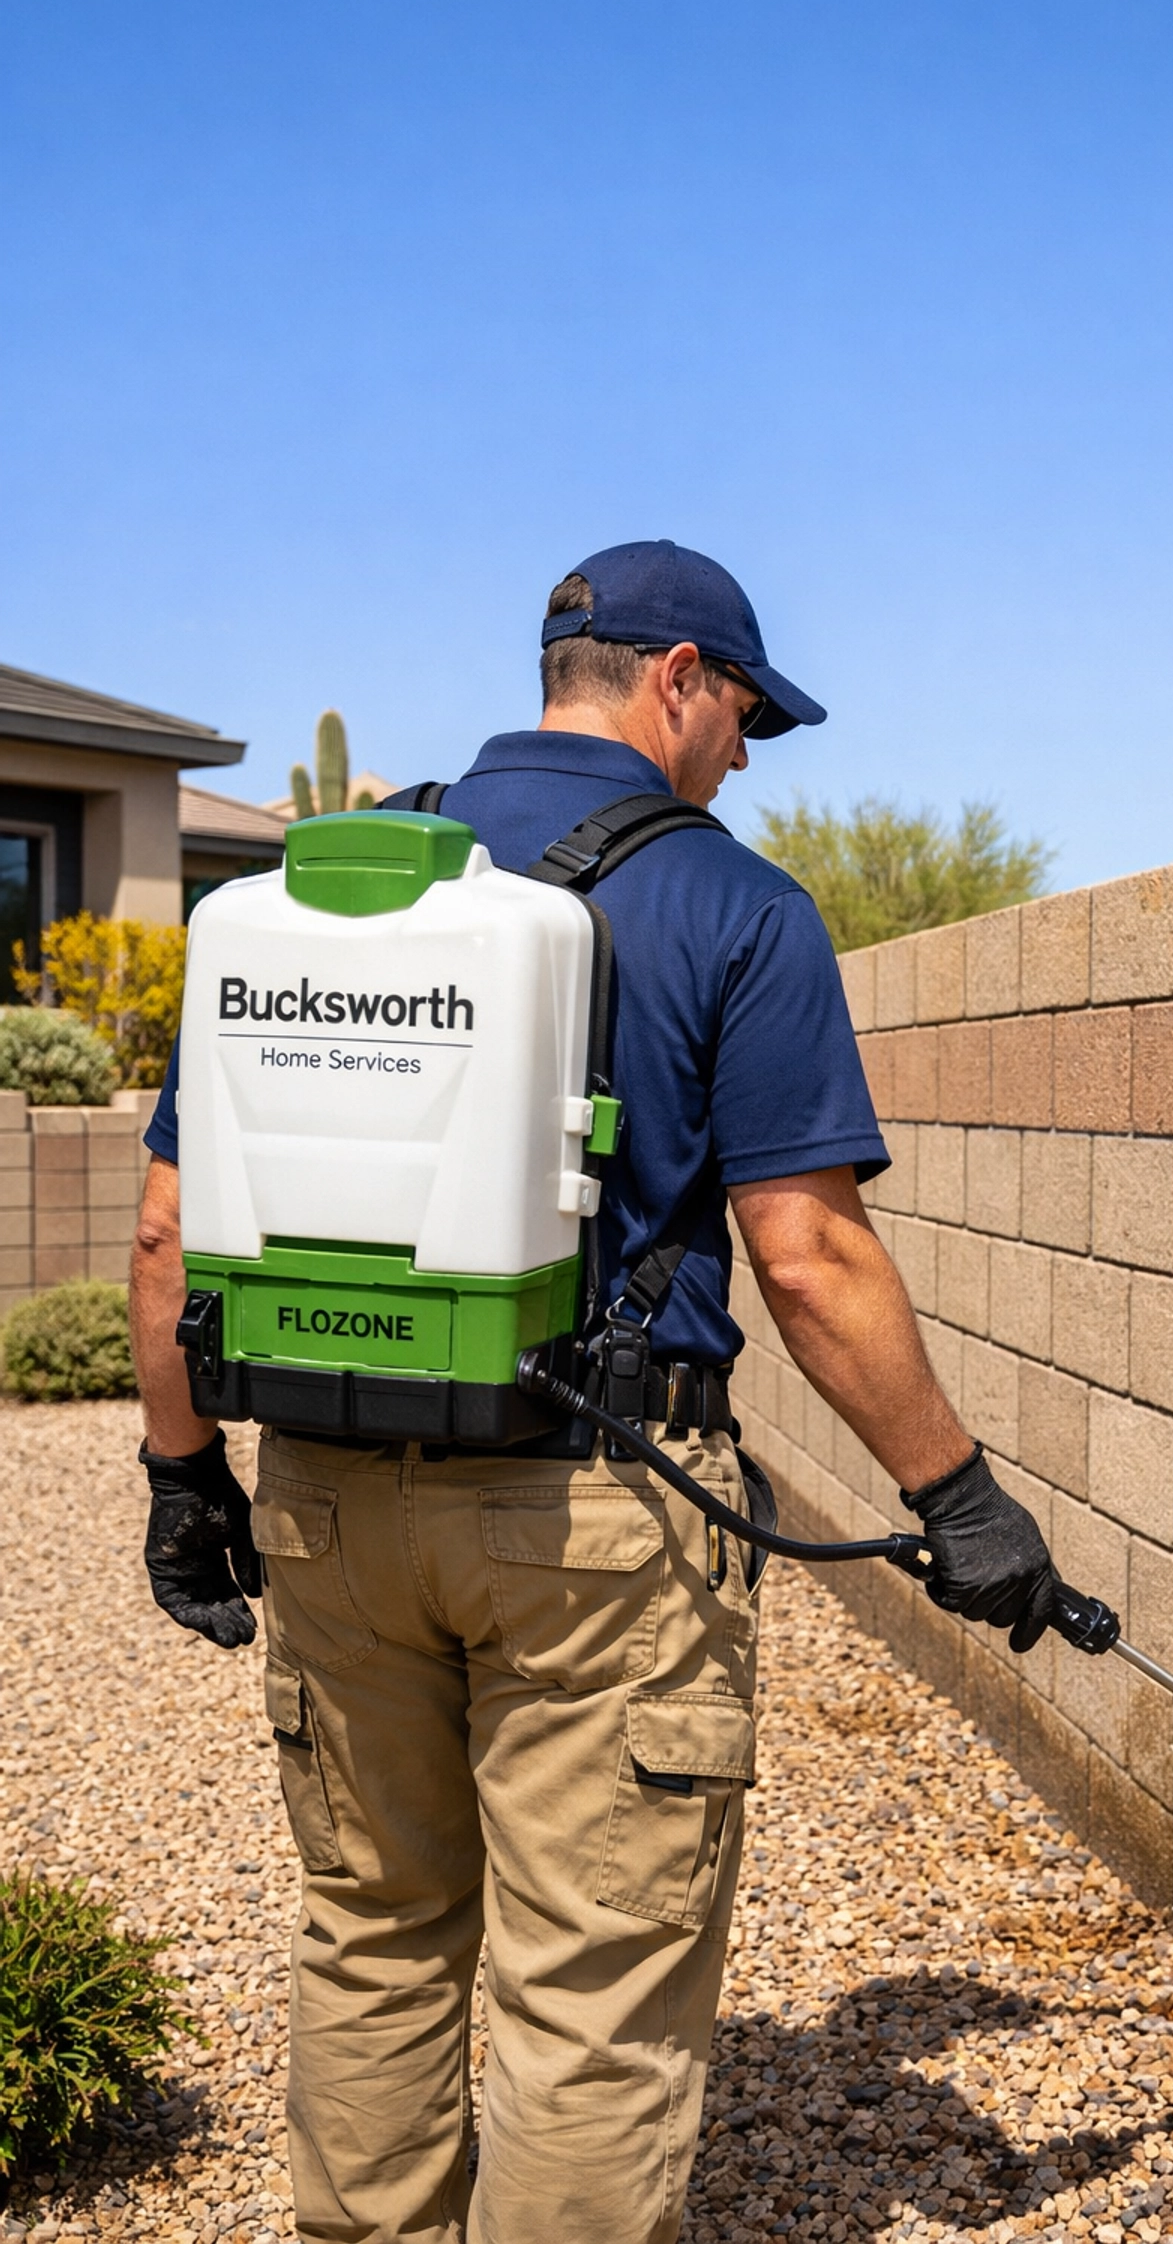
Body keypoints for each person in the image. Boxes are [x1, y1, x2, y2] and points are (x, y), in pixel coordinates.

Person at [129, 539, 1061, 2244]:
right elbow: (809, 1259)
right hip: (594, 1518)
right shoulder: (736, 906)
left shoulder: (312, 895)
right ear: (679, 677)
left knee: (372, 1930)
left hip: (326, 1499)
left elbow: (169, 1230)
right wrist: (956, 1496)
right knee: (588, 2001)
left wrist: (183, 1484)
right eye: (747, 716)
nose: (749, 757)